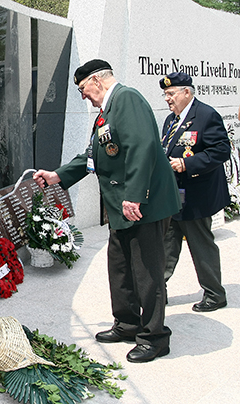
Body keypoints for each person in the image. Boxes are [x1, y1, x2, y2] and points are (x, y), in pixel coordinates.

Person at [33, 59, 181, 363]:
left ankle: (154, 337)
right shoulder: (106, 114)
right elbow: (92, 155)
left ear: (97, 81)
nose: (83, 95)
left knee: (147, 272)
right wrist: (57, 176)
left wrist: (135, 196)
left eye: (83, 88)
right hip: (121, 207)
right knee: (120, 266)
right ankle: (127, 323)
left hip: (143, 206)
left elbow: (143, 147)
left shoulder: (127, 99)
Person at [159, 72, 230, 312]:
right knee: (167, 243)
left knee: (200, 244)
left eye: (171, 94)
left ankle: (214, 294)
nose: (167, 99)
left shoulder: (206, 115)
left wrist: (186, 164)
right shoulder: (171, 120)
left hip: (197, 195)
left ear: (186, 92)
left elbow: (220, 151)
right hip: (173, 195)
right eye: (165, 94)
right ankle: (158, 290)